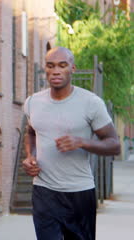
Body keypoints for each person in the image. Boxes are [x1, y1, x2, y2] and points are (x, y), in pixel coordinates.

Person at [22, 47, 120, 240]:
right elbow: (31, 132)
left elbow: (114, 144)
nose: (56, 71)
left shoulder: (91, 103)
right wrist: (30, 155)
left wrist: (82, 142)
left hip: (79, 193)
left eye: (62, 65)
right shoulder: (33, 102)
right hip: (44, 192)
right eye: (50, 66)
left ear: (72, 68)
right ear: (46, 69)